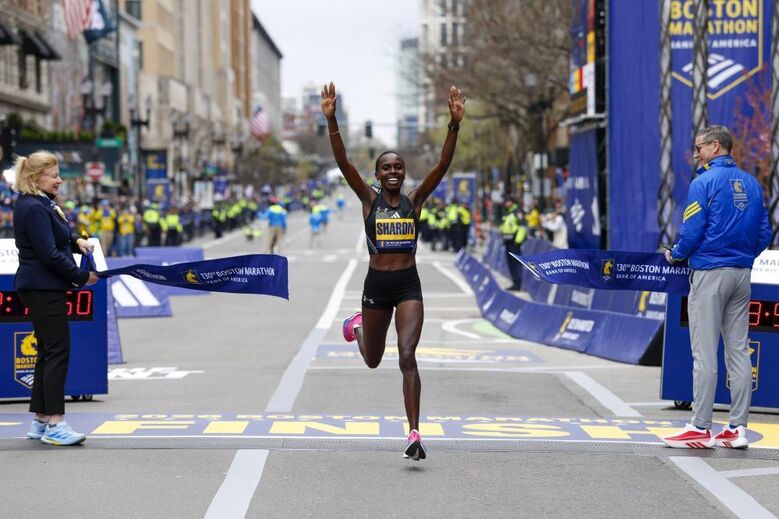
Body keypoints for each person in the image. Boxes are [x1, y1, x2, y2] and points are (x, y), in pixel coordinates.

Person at [322, 81, 465, 461]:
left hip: (407, 286)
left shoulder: (414, 200)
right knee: (372, 359)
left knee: (406, 356)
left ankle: (414, 433)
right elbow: (343, 163)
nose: (393, 171)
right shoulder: (368, 200)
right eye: (386, 167)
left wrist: (454, 125)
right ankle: (357, 326)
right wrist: (332, 119)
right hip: (376, 286)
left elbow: (442, 165)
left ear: (403, 172)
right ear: (378, 172)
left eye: (398, 167)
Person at [663, 125, 771, 450]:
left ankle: (700, 426)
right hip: (741, 274)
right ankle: (738, 429)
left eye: (699, 148)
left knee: (704, 352)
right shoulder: (752, 184)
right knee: (739, 351)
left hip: (710, 273)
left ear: (714, 146)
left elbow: (692, 231)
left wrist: (678, 254)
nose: (696, 154)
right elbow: (765, 233)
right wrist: (741, 256)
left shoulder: (703, 182)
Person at [8, 151, 99, 446]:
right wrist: (81, 277)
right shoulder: (34, 207)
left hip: (41, 286)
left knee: (48, 352)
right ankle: (56, 424)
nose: (60, 180)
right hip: (43, 287)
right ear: (36, 178)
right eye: (54, 175)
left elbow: (56, 237)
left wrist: (77, 241)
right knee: (57, 352)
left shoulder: (39, 203)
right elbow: (47, 253)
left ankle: (41, 420)